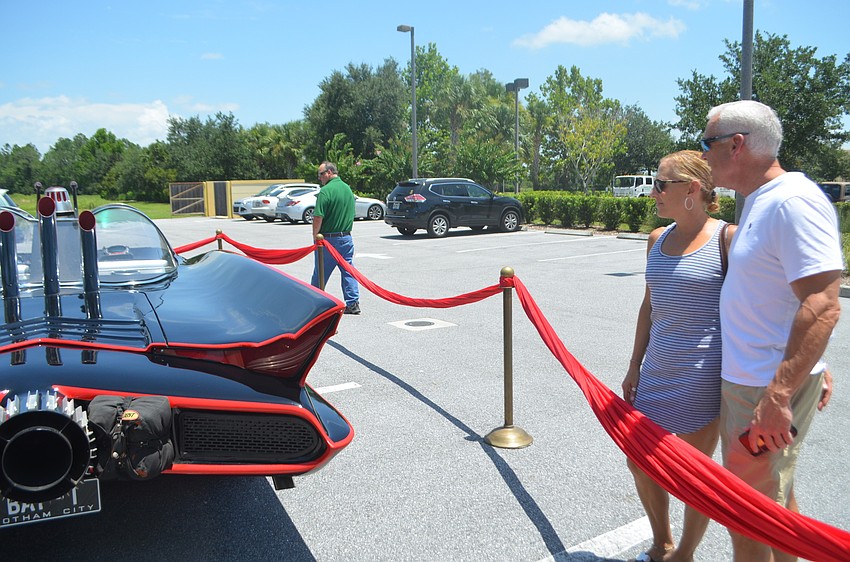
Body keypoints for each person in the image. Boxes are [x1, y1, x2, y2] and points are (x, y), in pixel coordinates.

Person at [701, 100, 842, 562]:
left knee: (748, 517)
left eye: (708, 143)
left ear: (737, 145)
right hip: (757, 380)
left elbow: (823, 303)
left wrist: (780, 393)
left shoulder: (791, 202)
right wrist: (811, 368)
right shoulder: (764, 201)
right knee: (775, 500)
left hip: (762, 387)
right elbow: (789, 297)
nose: (703, 155)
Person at [622, 150, 736, 562]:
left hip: (700, 381)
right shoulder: (657, 238)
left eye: (660, 183)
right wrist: (634, 364)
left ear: (692, 189)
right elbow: (649, 306)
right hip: (655, 374)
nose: (653, 192)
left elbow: (759, 311)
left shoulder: (729, 239)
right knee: (640, 463)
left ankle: (683, 554)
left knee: (692, 478)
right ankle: (662, 543)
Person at [311, 161, 361, 315]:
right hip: (346, 238)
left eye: (321, 174)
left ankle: (314, 302)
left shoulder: (326, 191)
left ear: (329, 172)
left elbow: (318, 217)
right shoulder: (347, 189)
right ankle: (353, 303)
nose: (319, 178)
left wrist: (315, 237)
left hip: (328, 240)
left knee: (320, 272)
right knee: (348, 270)